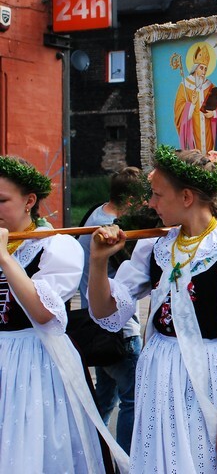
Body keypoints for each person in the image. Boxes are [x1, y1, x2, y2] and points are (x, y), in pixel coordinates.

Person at [88, 146, 217, 473]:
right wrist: (98, 261)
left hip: (209, 379)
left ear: (187, 197)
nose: (151, 203)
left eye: (158, 195)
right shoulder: (155, 246)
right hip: (160, 376)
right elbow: (106, 310)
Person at [0, 156, 127, 472]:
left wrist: (3, 257)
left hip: (35, 361)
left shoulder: (56, 247)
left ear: (30, 201)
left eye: (1, 200)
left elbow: (42, 313)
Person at [77, 166, 142, 454]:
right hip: (119, 329)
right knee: (132, 400)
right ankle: (127, 460)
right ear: (129, 200)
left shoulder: (96, 215)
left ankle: (92, 453)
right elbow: (129, 279)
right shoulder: (111, 229)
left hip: (98, 327)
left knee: (105, 398)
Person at [174, 42, 217, 153]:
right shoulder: (184, 85)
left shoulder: (209, 85)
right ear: (195, 68)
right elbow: (178, 111)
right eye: (201, 68)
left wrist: (214, 114)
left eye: (205, 69)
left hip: (208, 131)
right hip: (193, 131)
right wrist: (192, 104)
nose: (203, 72)